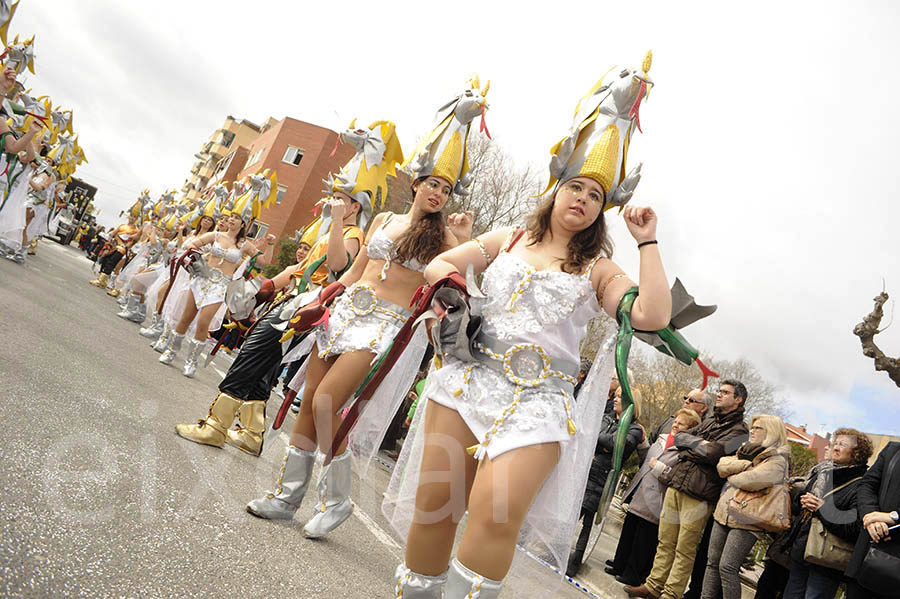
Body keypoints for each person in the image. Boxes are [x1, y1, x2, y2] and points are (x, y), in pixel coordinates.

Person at [388, 58, 671, 598]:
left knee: (495, 517)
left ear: (603, 208)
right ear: (557, 186)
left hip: (539, 403)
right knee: (436, 506)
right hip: (468, 382)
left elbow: (652, 317)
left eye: (595, 195)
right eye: (577, 187)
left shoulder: (598, 270)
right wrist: (458, 300)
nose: (583, 199)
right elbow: (439, 266)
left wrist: (648, 241)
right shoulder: (509, 239)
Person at [243, 105, 475, 543]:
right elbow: (351, 273)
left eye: (446, 189)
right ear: (417, 183)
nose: (438, 193)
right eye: (432, 184)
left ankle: (336, 500)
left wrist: (462, 240)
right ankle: (286, 497)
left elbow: (455, 286)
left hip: (386, 325)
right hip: (347, 311)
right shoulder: (385, 220)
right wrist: (322, 299)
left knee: (329, 402)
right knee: (310, 397)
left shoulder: (445, 238)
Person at [173, 120, 402, 459]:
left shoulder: (352, 235)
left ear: (355, 206)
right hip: (291, 301)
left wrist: (338, 221)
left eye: (341, 199)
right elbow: (300, 270)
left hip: (308, 309)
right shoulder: (328, 233)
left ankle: (215, 425)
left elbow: (340, 267)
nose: (333, 203)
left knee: (251, 355)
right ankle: (251, 432)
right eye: (333, 197)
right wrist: (265, 288)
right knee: (263, 363)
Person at [625, 379, 749, 599]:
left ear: (738, 400)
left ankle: (671, 594)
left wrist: (691, 446)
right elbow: (679, 437)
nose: (719, 395)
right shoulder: (711, 421)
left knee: (684, 549)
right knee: (665, 541)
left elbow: (714, 453)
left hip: (700, 495)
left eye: (725, 392)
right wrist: (696, 445)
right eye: (719, 391)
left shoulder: (740, 431)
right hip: (678, 483)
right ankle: (653, 586)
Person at [157, 179, 276, 377]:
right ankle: (171, 351)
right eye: (231, 216)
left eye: (236, 217)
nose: (231, 220)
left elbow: (264, 261)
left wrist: (270, 244)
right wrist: (200, 257)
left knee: (204, 323)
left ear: (244, 223)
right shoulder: (216, 235)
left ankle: (191, 361)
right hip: (202, 280)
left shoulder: (245, 245)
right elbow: (191, 244)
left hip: (220, 286)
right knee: (186, 318)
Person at [610, 408, 703, 586]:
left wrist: (660, 468)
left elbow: (678, 475)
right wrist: (644, 443)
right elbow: (646, 459)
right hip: (640, 491)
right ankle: (619, 564)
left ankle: (633, 574)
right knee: (629, 531)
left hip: (657, 498)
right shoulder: (662, 438)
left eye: (681, 424)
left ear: (690, 429)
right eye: (675, 421)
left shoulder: (686, 450)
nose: (675, 425)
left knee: (643, 541)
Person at [701, 415, 790, 599]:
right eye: (753, 427)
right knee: (712, 563)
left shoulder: (778, 459)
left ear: (771, 432)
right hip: (724, 512)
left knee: (727, 567)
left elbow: (750, 481)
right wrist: (746, 465)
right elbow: (722, 465)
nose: (753, 430)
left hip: (749, 520)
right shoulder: (746, 451)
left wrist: (733, 475)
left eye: (758, 428)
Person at [779, 428, 872, 599]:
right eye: (835, 443)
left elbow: (855, 527)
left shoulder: (862, 485)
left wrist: (822, 508)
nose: (835, 447)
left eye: (842, 445)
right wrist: (803, 501)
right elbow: (798, 504)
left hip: (827, 561)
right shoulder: (823, 472)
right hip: (803, 549)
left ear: (857, 453)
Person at [567, 385, 644, 577]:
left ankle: (574, 562)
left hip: (603, 478)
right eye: (616, 396)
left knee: (588, 522)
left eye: (620, 397)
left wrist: (603, 441)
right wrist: (603, 441)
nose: (615, 400)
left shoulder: (634, 429)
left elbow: (618, 445)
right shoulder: (607, 418)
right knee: (571, 515)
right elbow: (590, 435)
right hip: (586, 471)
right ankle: (559, 551)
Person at [845, 441, 900, 599]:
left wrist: (893, 516)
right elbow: (867, 485)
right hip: (869, 556)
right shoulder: (893, 450)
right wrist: (871, 515)